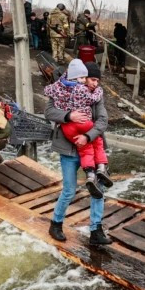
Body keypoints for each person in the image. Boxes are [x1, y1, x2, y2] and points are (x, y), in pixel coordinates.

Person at [45, 61, 112, 246]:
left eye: (96, 80)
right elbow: (49, 111)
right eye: (91, 79)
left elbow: (103, 119)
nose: (94, 84)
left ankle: (96, 230)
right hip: (68, 149)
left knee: (98, 189)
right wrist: (69, 116)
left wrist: (88, 136)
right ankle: (56, 223)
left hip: (89, 145)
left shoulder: (96, 96)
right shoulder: (62, 90)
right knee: (69, 189)